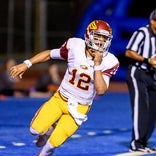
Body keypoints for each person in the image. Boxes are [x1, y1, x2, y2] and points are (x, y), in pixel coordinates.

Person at [9, 20, 119, 156]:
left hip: (79, 108)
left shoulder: (110, 61)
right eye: (97, 38)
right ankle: (49, 129)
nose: (101, 43)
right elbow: (49, 54)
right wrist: (27, 63)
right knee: (34, 130)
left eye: (105, 39)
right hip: (60, 99)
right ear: (88, 35)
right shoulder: (75, 46)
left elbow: (101, 90)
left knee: (51, 146)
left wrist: (97, 65)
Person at [125, 9, 156, 153]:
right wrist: (147, 60)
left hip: (152, 75)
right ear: (152, 22)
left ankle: (144, 142)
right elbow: (129, 51)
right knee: (141, 107)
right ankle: (136, 143)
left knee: (153, 109)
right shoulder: (142, 32)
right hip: (137, 73)